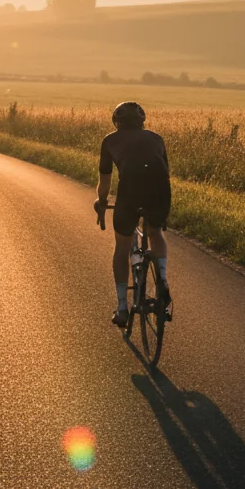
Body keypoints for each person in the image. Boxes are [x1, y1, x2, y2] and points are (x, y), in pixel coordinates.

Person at [93, 101, 172, 327]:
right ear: (141, 121)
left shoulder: (110, 141)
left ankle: (122, 308)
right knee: (155, 232)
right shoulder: (157, 138)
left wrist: (101, 202)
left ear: (116, 122)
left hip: (130, 192)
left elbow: (105, 182)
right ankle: (162, 280)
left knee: (122, 248)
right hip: (160, 190)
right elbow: (164, 172)